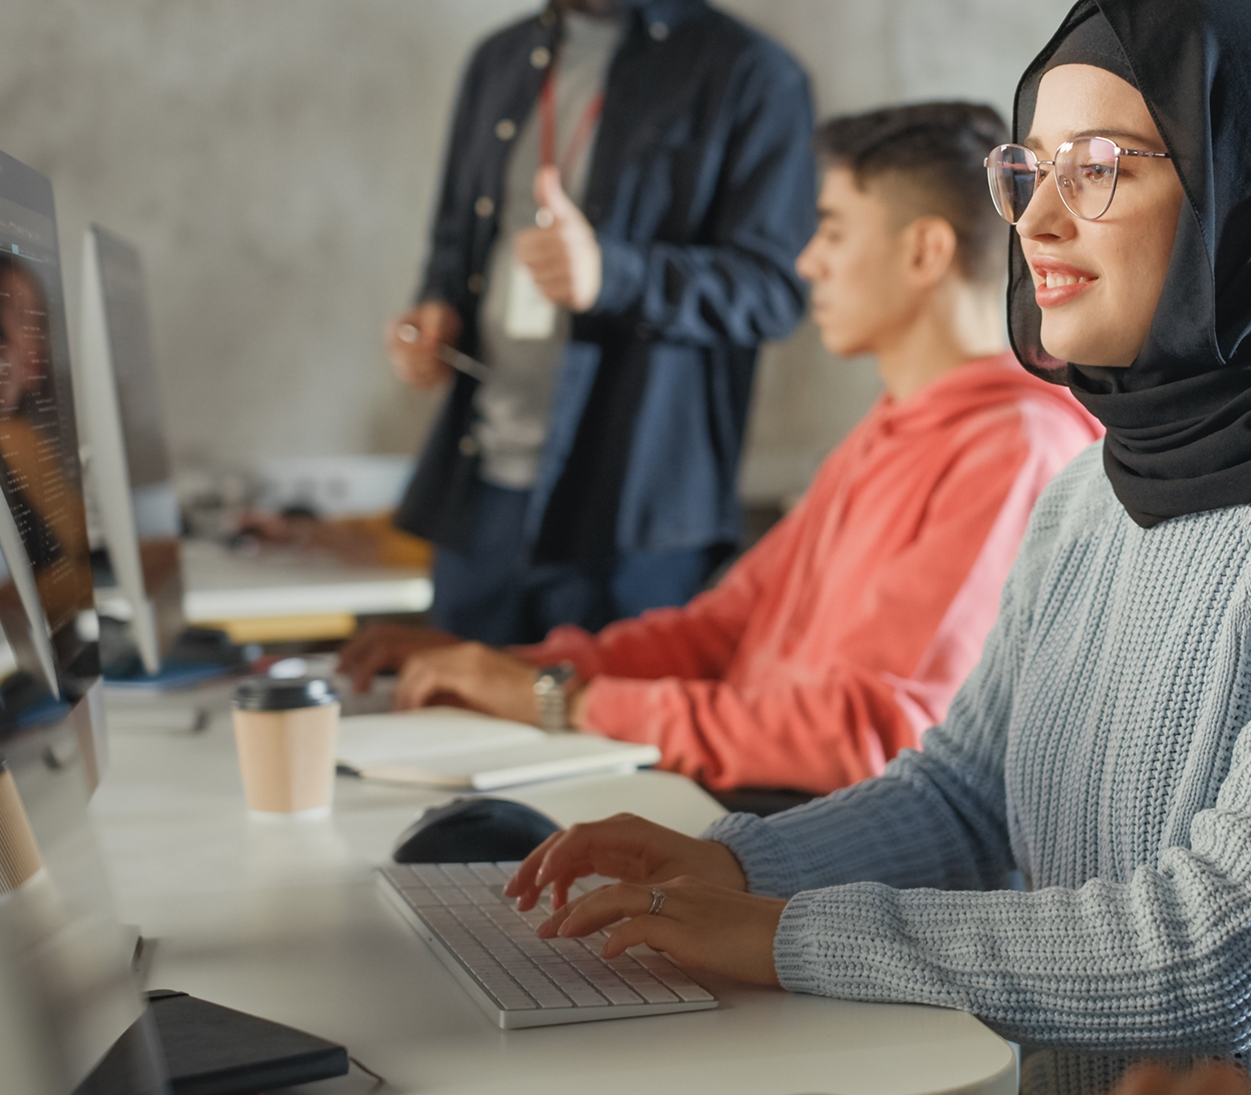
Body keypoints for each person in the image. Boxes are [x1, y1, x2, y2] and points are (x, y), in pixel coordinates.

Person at [502, 0, 1251, 1094]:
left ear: (1248, 192)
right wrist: (728, 861)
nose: (1036, 219)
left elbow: (1219, 949)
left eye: (1098, 167)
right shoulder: (1088, 491)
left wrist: (777, 933)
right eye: (1029, 169)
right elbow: (961, 795)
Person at [381, 102, 1103, 795]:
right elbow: (727, 629)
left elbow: (866, 735)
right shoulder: (895, 423)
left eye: (832, 231)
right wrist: (515, 670)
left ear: (924, 250)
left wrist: (557, 701)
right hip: (752, 798)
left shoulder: (1014, 449)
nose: (807, 262)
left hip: (815, 844)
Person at [364, 0, 815, 653]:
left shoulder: (753, 73)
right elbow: (454, 243)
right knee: (454, 727)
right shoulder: (498, 60)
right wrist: (434, 311)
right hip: (482, 489)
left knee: (615, 748)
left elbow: (775, 291)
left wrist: (614, 274)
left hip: (633, 514)